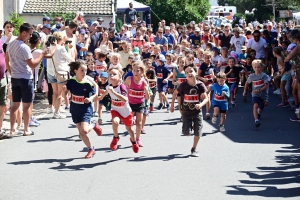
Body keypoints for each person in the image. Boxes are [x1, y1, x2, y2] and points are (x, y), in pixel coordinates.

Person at [5, 23, 48, 136]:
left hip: (15, 77)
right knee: (27, 105)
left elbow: (6, 59)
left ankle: (12, 129)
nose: (30, 36)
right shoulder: (24, 47)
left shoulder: (11, 43)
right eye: (29, 34)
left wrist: (11, 71)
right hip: (25, 78)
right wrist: (42, 54)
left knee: (15, 105)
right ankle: (26, 129)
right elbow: (33, 64)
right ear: (24, 33)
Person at [64, 61, 102, 158]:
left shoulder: (87, 83)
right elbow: (66, 93)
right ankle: (91, 148)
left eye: (85, 70)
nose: (84, 72)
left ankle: (93, 124)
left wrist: (90, 98)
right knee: (81, 133)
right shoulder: (71, 81)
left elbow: (94, 94)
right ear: (75, 71)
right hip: (75, 108)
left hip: (85, 109)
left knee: (84, 130)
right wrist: (64, 92)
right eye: (82, 70)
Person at [170, 64, 209, 157]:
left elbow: (206, 98)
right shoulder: (183, 85)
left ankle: (194, 149)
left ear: (196, 73)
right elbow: (175, 93)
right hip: (186, 112)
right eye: (187, 72)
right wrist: (172, 106)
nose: (189, 73)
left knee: (198, 132)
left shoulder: (200, 85)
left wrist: (200, 104)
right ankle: (189, 127)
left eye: (191, 71)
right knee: (186, 133)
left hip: (197, 112)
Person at [98, 66, 140, 153]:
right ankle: (116, 137)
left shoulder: (122, 87)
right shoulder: (109, 86)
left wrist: (113, 92)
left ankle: (133, 141)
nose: (111, 75)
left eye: (114, 74)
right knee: (115, 122)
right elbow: (107, 91)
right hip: (115, 108)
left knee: (130, 129)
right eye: (110, 74)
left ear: (120, 77)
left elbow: (125, 99)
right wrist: (101, 97)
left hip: (125, 111)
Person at [47, 32, 74, 119]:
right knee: (59, 94)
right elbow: (70, 59)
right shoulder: (61, 48)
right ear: (60, 39)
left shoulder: (50, 47)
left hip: (51, 71)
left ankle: (56, 108)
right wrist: (69, 50)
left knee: (54, 92)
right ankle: (57, 112)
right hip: (60, 72)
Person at [124, 61, 150, 147]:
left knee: (139, 123)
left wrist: (146, 90)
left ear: (142, 71)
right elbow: (123, 89)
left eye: (137, 70)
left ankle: (138, 138)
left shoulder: (144, 82)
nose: (135, 72)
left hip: (140, 103)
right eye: (134, 70)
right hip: (130, 103)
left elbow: (148, 97)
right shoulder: (129, 79)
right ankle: (132, 137)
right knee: (130, 123)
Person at [243, 59, 269, 127]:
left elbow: (266, 85)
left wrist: (260, 90)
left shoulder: (264, 75)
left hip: (263, 94)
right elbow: (246, 83)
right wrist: (245, 91)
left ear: (261, 68)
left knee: (261, 107)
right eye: (255, 67)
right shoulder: (251, 76)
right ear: (253, 68)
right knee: (255, 105)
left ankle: (259, 112)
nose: (257, 69)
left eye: (258, 67)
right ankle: (256, 120)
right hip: (255, 94)